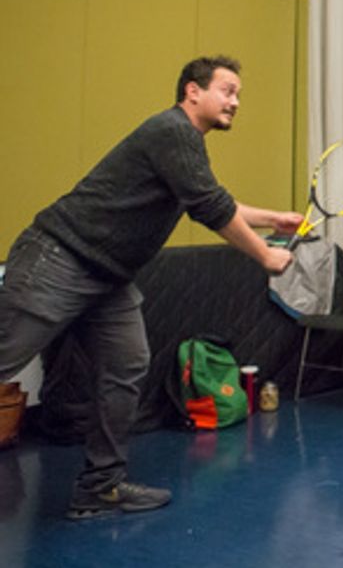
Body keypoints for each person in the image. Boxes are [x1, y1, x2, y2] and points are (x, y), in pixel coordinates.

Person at [0, 55, 299, 520]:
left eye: (239, 94)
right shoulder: (173, 131)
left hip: (108, 277)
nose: (235, 102)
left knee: (127, 364)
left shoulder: (184, 145)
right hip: (58, 258)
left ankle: (100, 486)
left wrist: (271, 218)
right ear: (192, 92)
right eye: (227, 90)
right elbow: (209, 205)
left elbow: (207, 195)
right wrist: (265, 255)